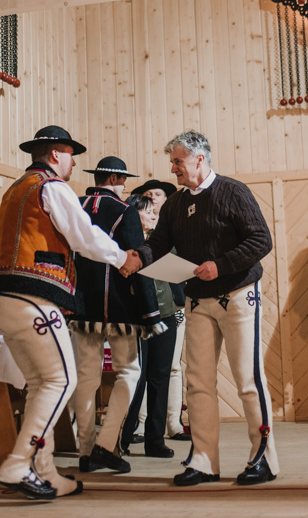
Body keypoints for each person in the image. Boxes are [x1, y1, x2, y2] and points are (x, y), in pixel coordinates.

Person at [0, 126, 140, 499]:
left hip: (0, 297)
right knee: (61, 381)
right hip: (31, 297)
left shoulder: (15, 189)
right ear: (56, 154)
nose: (73, 164)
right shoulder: (51, 187)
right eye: (71, 155)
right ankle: (18, 462)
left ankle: (46, 471)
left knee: (42, 384)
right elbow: (84, 236)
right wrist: (122, 258)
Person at [137, 130, 278, 486]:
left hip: (239, 293)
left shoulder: (233, 191)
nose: (173, 169)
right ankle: (203, 461)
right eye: (172, 162)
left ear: (199, 159)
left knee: (248, 379)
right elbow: (158, 244)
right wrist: (138, 257)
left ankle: (264, 457)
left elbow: (261, 239)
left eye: (178, 162)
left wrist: (222, 265)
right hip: (198, 300)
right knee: (198, 383)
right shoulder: (174, 205)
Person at [71, 156, 164, 474]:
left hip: (81, 306)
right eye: (123, 181)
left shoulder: (75, 205)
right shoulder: (125, 211)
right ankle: (106, 444)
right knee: (129, 372)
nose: (124, 188)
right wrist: (151, 313)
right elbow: (138, 264)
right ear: (113, 179)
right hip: (120, 306)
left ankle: (85, 450)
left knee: (86, 376)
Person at [119, 193, 182, 458]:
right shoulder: (123, 243)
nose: (153, 215)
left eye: (154, 211)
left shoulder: (162, 241)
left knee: (161, 376)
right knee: (137, 377)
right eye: (147, 211)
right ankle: (122, 438)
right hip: (138, 318)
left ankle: (155, 440)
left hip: (165, 314)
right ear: (134, 215)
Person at [128, 179, 189, 442]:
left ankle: (173, 423)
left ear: (167, 199)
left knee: (171, 367)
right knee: (141, 369)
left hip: (173, 305)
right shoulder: (134, 234)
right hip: (143, 309)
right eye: (148, 195)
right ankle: (141, 424)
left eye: (157, 194)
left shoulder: (175, 226)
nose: (152, 198)